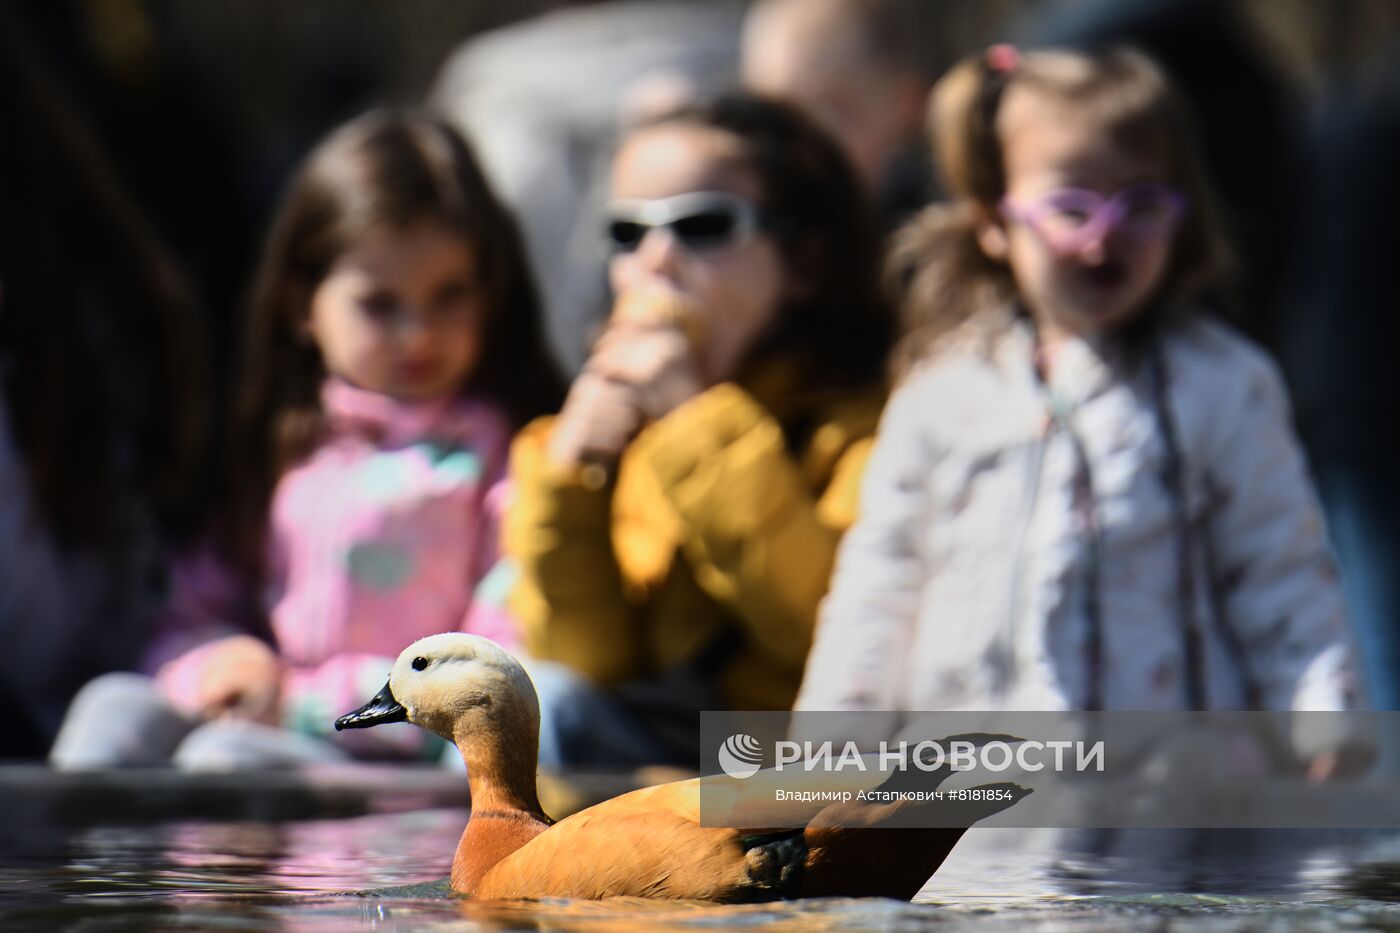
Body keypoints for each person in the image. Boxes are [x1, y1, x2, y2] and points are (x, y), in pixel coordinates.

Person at [796, 47, 1365, 766]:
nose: (1108, 232)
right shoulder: (943, 390)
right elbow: (881, 578)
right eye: (1072, 207)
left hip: (1174, 792)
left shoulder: (1221, 383)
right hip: (968, 794)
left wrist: (1325, 719)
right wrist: (830, 743)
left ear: (1179, 221)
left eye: (1141, 205)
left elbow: (1280, 568)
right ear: (995, 222)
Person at [51, 110, 564, 770]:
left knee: (225, 760)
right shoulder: (281, 446)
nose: (419, 333)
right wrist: (219, 663)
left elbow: (500, 661)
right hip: (257, 714)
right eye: (381, 303)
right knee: (114, 702)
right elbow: (186, 612)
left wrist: (300, 703)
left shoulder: (502, 457)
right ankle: (79, 868)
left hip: (394, 759)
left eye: (450, 294)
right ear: (301, 303)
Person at [505, 93, 895, 768]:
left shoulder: (865, 428)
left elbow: (824, 638)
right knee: (524, 702)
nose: (656, 259)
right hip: (650, 764)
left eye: (704, 225)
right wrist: (569, 483)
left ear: (805, 261)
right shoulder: (630, 433)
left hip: (792, 766)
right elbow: (592, 663)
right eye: (626, 232)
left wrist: (695, 419)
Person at [741, 0, 935, 229]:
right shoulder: (738, 236)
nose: (792, 142)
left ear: (907, 104)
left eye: (827, 113)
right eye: (768, 114)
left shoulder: (947, 243)